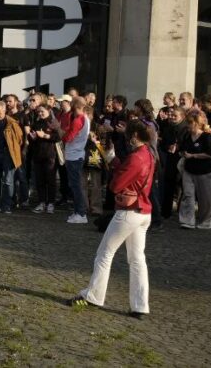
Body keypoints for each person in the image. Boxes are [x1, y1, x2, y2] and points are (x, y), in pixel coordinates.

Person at [67, 121, 156, 319]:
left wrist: (114, 164)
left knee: (105, 254)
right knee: (137, 259)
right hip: (143, 211)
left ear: (134, 136)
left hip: (129, 211)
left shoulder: (136, 157)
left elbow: (116, 185)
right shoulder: (149, 153)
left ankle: (93, 296)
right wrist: (113, 160)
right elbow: (128, 173)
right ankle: (140, 305)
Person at [178, 109, 211, 230]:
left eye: (189, 123)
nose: (188, 126)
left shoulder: (207, 137)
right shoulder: (186, 135)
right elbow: (182, 148)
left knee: (205, 198)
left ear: (196, 123)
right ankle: (187, 220)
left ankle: (205, 221)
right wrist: (183, 153)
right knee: (188, 195)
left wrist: (194, 156)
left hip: (205, 171)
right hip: (189, 170)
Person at [61, 97, 90, 224]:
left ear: (74, 105)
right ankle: (78, 211)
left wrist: (58, 129)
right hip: (75, 154)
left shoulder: (79, 120)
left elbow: (67, 138)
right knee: (75, 185)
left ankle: (81, 213)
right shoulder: (85, 118)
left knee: (76, 186)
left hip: (74, 155)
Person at [29, 104, 60, 214]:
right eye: (38, 112)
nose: (40, 113)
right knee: (40, 180)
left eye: (42, 111)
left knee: (51, 180)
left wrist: (46, 136)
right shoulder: (36, 123)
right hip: (38, 155)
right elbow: (32, 138)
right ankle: (42, 202)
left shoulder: (53, 122)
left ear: (48, 110)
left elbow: (58, 137)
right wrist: (32, 138)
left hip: (50, 155)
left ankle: (51, 203)